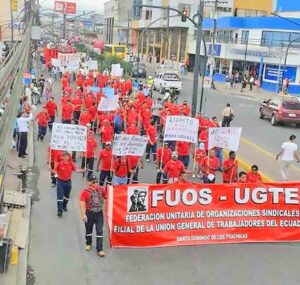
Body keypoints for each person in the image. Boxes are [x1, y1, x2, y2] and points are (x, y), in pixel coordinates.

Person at [79, 175, 106, 257]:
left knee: (99, 230)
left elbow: (107, 196)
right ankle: (88, 243)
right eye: (94, 182)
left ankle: (100, 249)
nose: (96, 183)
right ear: (89, 182)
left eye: (97, 181)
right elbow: (82, 203)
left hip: (99, 214)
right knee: (88, 230)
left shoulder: (101, 189)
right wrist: (83, 214)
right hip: (89, 213)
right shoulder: (85, 191)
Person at [54, 152, 85, 217]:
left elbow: (76, 170)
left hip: (68, 181)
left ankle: (64, 205)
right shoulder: (59, 164)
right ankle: (59, 210)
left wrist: (82, 170)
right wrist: (56, 177)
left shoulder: (71, 164)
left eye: (67, 156)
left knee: (67, 196)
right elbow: (55, 171)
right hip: (60, 182)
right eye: (64, 156)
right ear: (62, 157)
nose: (65, 158)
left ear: (69, 157)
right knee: (60, 196)